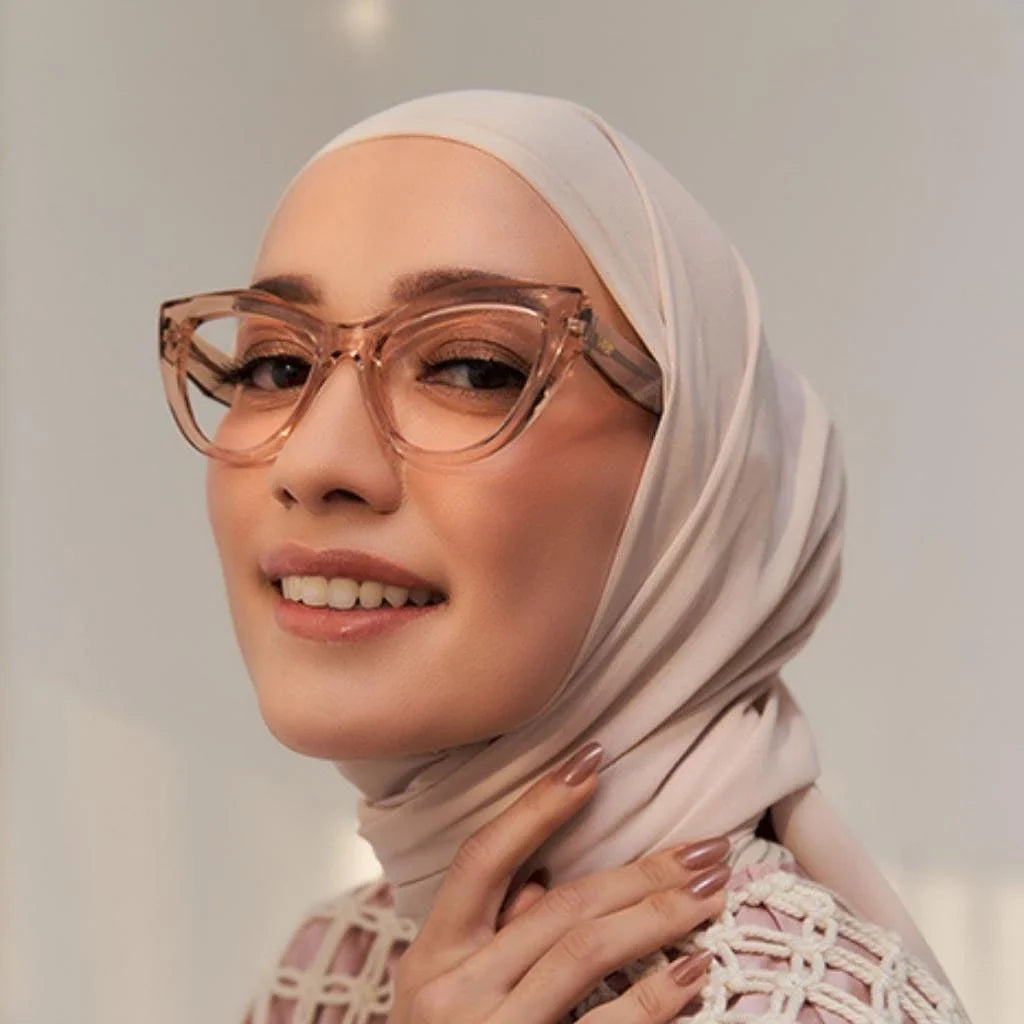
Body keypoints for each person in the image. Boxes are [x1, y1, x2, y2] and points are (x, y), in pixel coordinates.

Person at [157, 90, 971, 1023]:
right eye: (276, 366)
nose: (315, 461)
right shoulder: (334, 965)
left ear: (689, 485)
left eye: (471, 367)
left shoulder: (800, 1005)